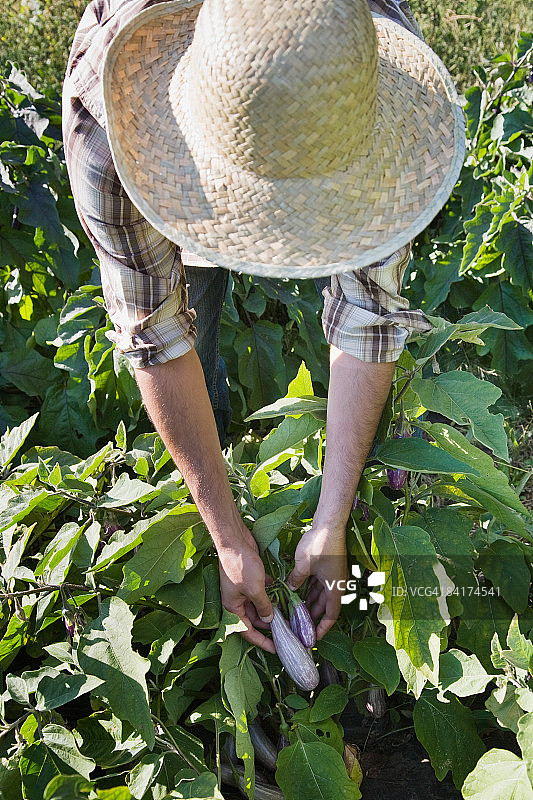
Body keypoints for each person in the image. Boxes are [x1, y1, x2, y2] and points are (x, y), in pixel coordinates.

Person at [62, 0, 465, 653]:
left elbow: (369, 317)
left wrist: (331, 520)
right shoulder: (112, 128)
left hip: (325, 110)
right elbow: (154, 333)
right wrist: (227, 536)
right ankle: (216, 471)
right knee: (196, 318)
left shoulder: (369, 73)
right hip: (164, 135)